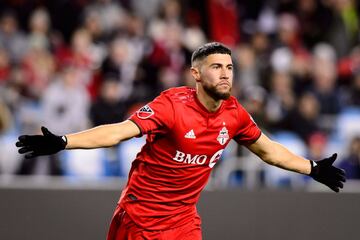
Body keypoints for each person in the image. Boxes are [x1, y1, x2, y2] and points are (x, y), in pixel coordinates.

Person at [15, 42, 346, 240]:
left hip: (184, 222)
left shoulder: (235, 114)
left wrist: (312, 168)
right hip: (138, 221)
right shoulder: (172, 105)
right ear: (197, 74)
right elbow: (118, 132)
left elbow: (268, 150)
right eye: (216, 66)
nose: (226, 73)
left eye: (230, 67)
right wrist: (62, 141)